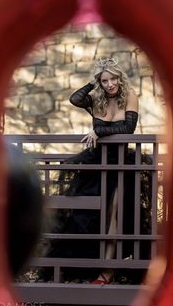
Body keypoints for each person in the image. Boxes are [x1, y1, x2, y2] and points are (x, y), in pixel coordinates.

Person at [43, 57, 151, 284]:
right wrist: (94, 82)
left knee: (115, 217)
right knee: (86, 217)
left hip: (121, 164)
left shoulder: (130, 96)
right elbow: (75, 98)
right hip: (96, 163)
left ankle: (108, 271)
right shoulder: (96, 99)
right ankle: (84, 269)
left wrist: (99, 133)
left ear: (120, 79)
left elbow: (128, 129)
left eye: (113, 79)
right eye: (105, 80)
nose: (111, 84)